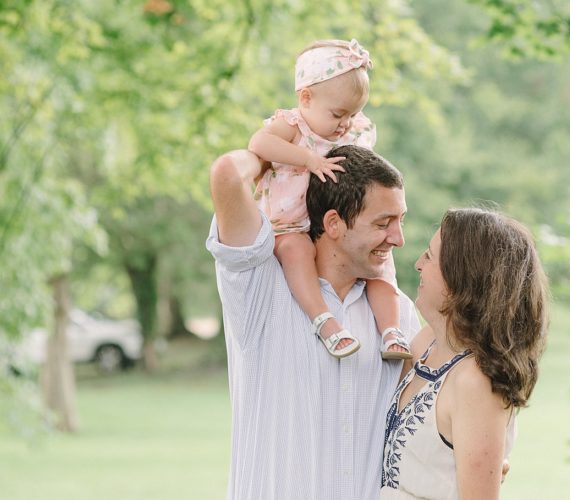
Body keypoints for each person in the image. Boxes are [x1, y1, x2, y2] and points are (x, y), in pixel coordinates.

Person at [206, 144, 420, 500]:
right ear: (334, 223)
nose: (398, 238)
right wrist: (282, 156)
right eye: (383, 223)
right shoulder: (260, 290)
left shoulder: (397, 316)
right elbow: (227, 173)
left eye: (400, 221)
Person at [247, 38, 410, 360]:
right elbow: (259, 143)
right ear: (306, 98)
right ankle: (325, 321)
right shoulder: (294, 126)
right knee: (296, 251)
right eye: (338, 114)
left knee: (379, 266)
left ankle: (392, 331)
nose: (345, 124)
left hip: (332, 219)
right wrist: (308, 159)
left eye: (353, 114)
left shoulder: (351, 130)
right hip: (290, 222)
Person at [381, 208, 550, 499]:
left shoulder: (475, 383)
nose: (419, 264)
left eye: (430, 256)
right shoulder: (427, 343)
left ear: (462, 276)